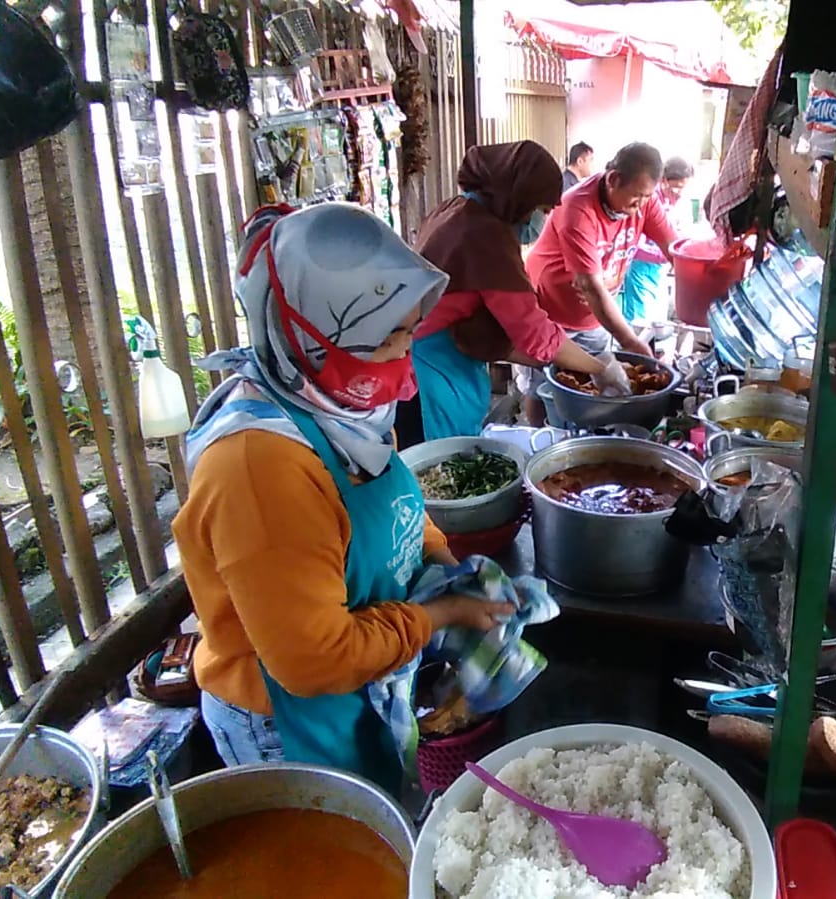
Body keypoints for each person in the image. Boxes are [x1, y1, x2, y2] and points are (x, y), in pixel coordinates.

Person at [175, 202, 514, 794]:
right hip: (287, 720)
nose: (405, 364)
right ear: (309, 335)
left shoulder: (337, 405)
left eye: (411, 331)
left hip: (363, 683)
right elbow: (315, 660)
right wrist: (440, 615)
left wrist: (445, 566)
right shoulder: (258, 469)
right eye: (387, 338)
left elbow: (392, 504)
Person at [401, 141, 628, 443]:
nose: (541, 221)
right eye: (541, 210)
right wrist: (601, 369)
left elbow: (496, 324)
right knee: (442, 466)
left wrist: (578, 362)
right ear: (519, 200)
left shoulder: (458, 209)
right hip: (429, 371)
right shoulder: (486, 238)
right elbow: (536, 334)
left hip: (436, 351)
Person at [519, 142, 680, 425]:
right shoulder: (577, 207)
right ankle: (539, 438)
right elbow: (591, 288)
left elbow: (674, 247)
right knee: (544, 388)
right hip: (549, 313)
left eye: (646, 198)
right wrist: (629, 340)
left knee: (596, 385)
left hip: (594, 318)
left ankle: (586, 434)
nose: (639, 206)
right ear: (613, 179)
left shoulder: (645, 200)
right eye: (636, 197)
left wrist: (698, 277)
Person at [619, 156, 693, 324]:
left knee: (658, 319)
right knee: (639, 320)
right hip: (640, 268)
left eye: (683, 189)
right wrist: (662, 253)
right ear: (664, 181)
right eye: (676, 188)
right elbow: (632, 241)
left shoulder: (682, 202)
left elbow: (682, 233)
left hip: (661, 270)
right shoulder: (646, 199)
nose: (679, 193)